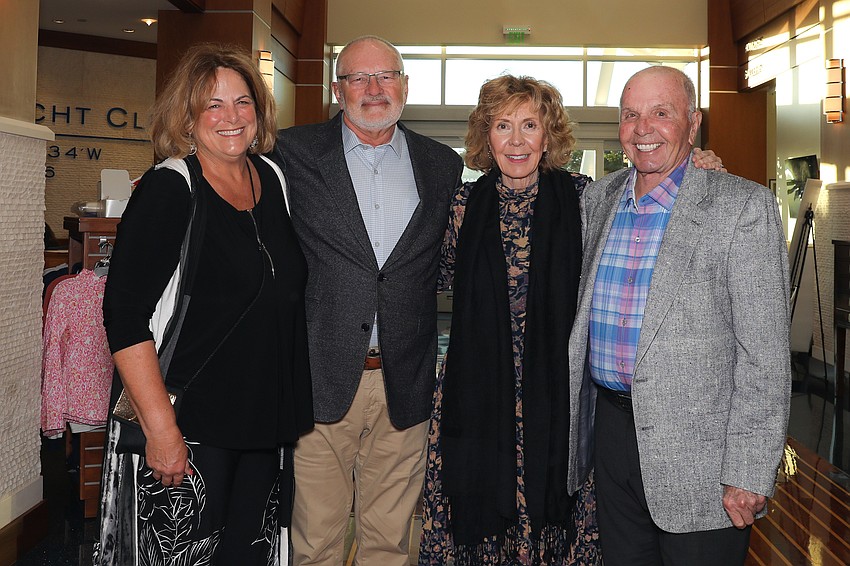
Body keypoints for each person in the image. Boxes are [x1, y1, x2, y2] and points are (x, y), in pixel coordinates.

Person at [419, 74, 726, 566]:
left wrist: (702, 162)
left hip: (561, 401)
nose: (516, 140)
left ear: (548, 136)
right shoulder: (461, 207)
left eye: (529, 125)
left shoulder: (587, 199)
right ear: (486, 135)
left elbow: (655, 190)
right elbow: (426, 282)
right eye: (502, 126)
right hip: (477, 398)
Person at [95, 43, 313, 565]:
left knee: (247, 556)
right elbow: (123, 316)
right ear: (187, 118)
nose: (232, 117)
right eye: (213, 104)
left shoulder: (272, 178)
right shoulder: (170, 188)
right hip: (191, 429)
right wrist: (161, 429)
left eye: (243, 102)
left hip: (264, 421)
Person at [566, 66, 791, 566]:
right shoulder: (597, 200)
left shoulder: (742, 208)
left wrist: (751, 470)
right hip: (610, 439)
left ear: (693, 123)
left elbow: (765, 357)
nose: (643, 128)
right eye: (630, 115)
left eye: (660, 113)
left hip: (703, 459)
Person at [272, 36, 464, 565]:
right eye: (359, 78)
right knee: (316, 542)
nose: (374, 89)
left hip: (406, 380)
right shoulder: (291, 152)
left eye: (386, 77)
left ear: (405, 86)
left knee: (389, 543)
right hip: (320, 378)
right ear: (337, 90)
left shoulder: (442, 164)